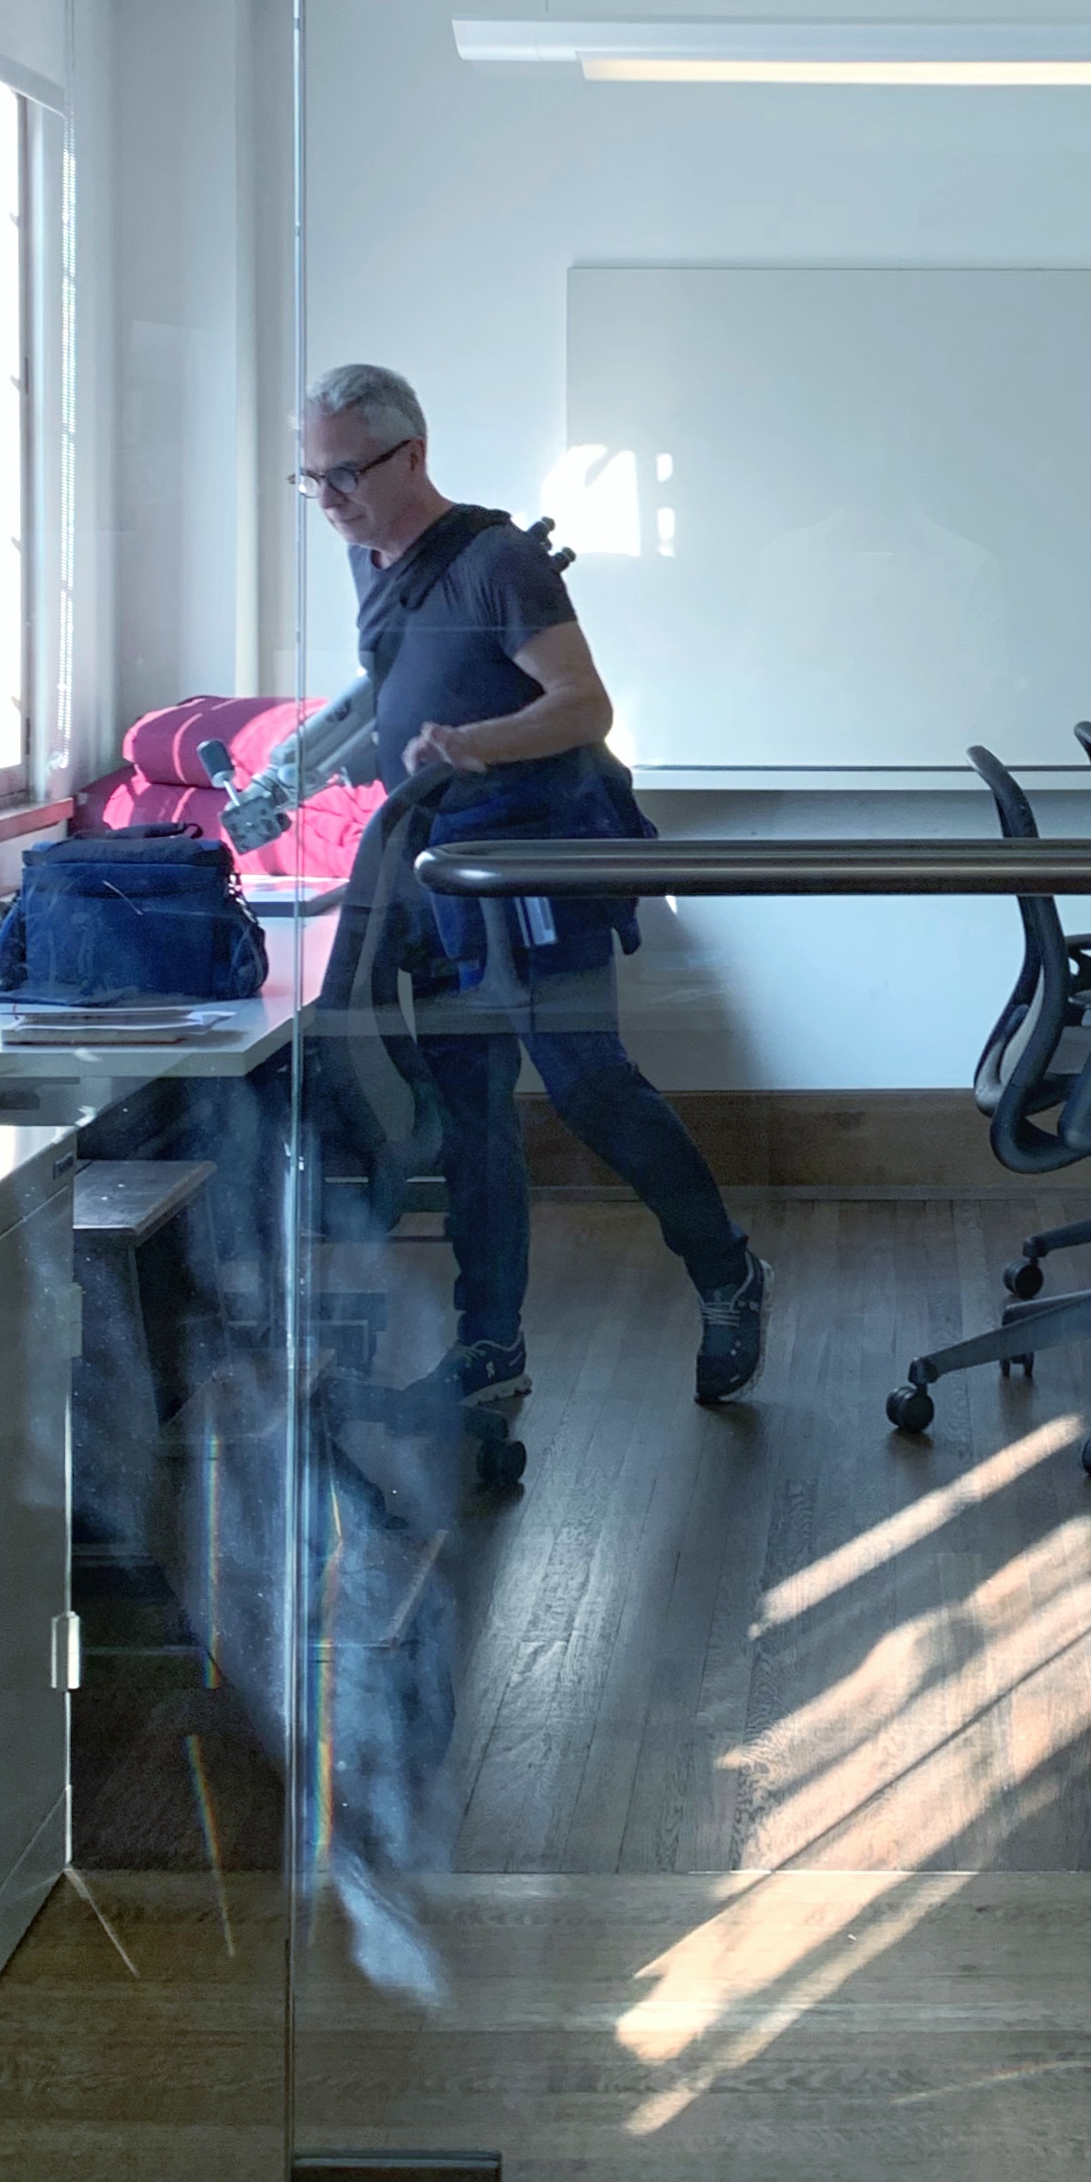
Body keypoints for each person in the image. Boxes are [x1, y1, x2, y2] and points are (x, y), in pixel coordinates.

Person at [295, 362, 770, 1444]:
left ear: (411, 453)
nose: (328, 499)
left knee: (589, 1088)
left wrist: (474, 745)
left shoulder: (498, 561)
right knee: (471, 1117)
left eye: (345, 475)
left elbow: (582, 704)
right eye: (310, 479)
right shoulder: (371, 558)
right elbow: (415, 688)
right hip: (443, 874)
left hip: (533, 864)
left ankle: (728, 1271)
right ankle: (487, 1358)